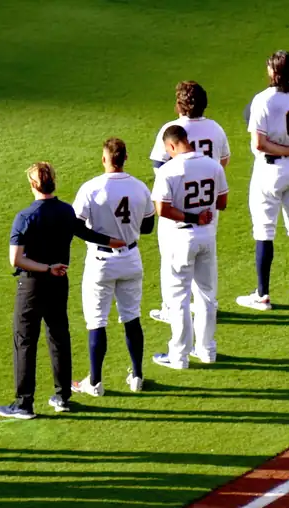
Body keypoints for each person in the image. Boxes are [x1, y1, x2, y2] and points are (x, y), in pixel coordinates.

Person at [0, 162, 125, 420]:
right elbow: (85, 233)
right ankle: (63, 396)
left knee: (25, 342)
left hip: (32, 285)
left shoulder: (25, 216)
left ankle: (24, 403)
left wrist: (45, 267)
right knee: (58, 337)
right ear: (53, 181)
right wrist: (114, 242)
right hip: (59, 282)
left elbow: (16, 260)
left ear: (33, 185)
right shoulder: (66, 211)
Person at [236, 50, 289, 311]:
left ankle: (262, 295)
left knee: (264, 231)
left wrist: (284, 147)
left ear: (273, 73)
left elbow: (259, 144)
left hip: (269, 172)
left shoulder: (262, 100)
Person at [69, 138, 154, 396]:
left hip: (101, 261)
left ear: (105, 159)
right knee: (132, 317)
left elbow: (75, 226)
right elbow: (148, 227)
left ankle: (95, 383)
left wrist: (106, 237)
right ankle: (137, 376)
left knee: (97, 321)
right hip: (131, 257)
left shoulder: (92, 188)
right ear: (125, 158)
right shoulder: (140, 188)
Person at [149, 81, 231, 325]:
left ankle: (170, 308)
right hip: (207, 206)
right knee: (204, 259)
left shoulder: (172, 128)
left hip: (177, 208)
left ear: (179, 105)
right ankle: (205, 307)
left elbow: (157, 165)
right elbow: (223, 162)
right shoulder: (215, 128)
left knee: (172, 260)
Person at [151, 125, 228, 369]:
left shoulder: (169, 170)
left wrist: (191, 217)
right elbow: (223, 202)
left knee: (179, 298)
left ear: (172, 145)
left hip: (180, 238)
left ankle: (179, 356)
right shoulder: (213, 165)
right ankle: (207, 350)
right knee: (206, 295)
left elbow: (162, 209)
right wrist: (201, 215)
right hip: (207, 235)